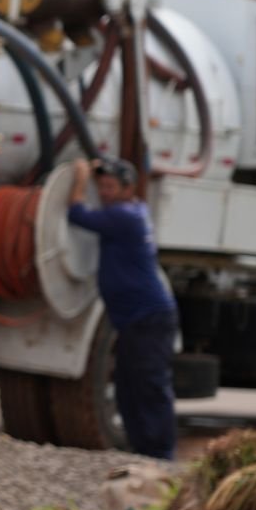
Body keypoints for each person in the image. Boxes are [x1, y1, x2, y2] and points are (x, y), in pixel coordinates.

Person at [67, 156, 179, 460]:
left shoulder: (124, 216)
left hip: (148, 319)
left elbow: (77, 213)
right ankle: (140, 451)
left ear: (127, 189)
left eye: (110, 186)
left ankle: (162, 456)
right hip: (135, 321)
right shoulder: (132, 211)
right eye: (100, 185)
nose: (103, 191)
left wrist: (79, 177)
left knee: (150, 386)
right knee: (128, 388)